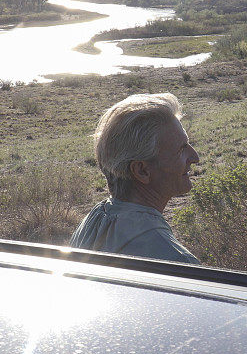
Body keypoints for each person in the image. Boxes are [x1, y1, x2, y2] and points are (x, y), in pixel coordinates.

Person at [70, 93, 200, 264]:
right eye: (181, 149)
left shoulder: (95, 220)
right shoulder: (178, 262)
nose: (195, 157)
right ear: (142, 171)